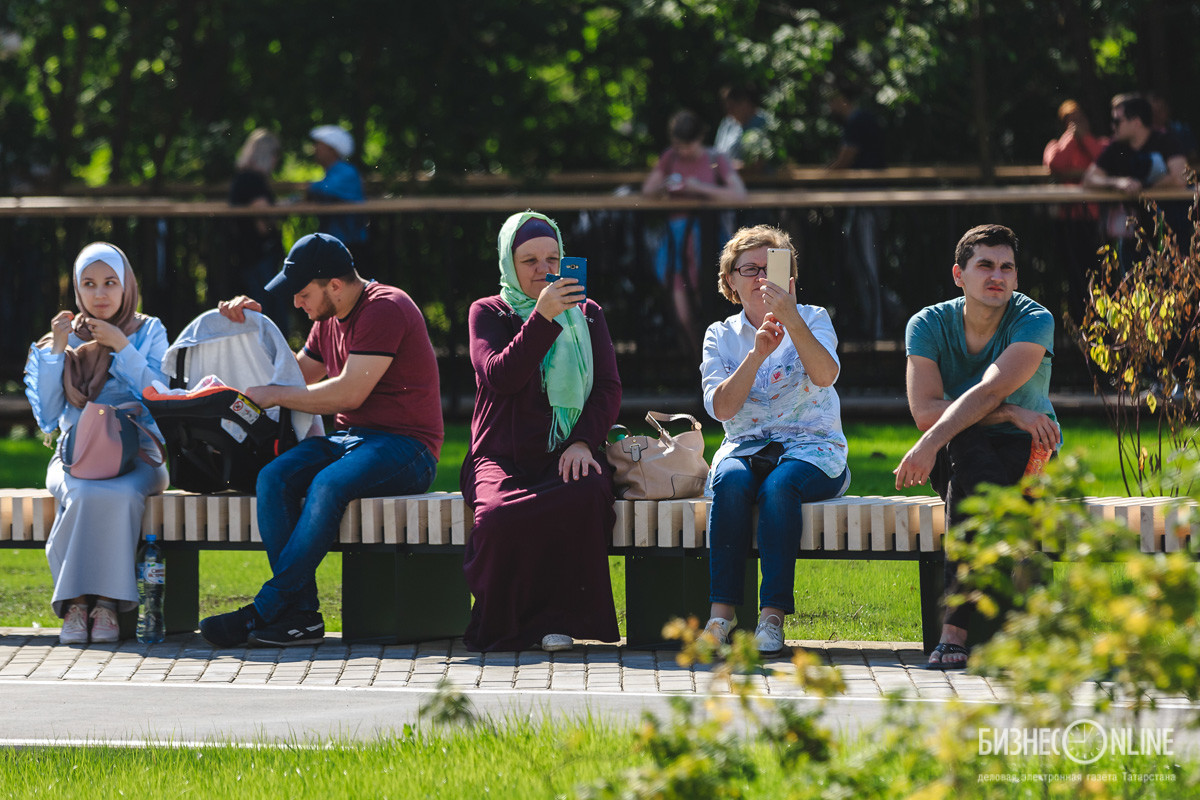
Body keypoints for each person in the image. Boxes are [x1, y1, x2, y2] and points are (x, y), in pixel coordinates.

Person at [199, 232, 443, 647]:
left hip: (408, 446)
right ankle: (302, 617)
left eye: (302, 293)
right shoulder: (327, 319)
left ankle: (267, 608)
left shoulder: (386, 307)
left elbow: (348, 394)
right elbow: (293, 377)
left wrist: (274, 395)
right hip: (353, 440)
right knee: (273, 478)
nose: (296, 302)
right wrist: (255, 327)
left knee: (326, 484)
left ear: (334, 284)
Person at [892, 224, 1060, 670]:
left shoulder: (1034, 319)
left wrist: (929, 442)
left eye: (1007, 267)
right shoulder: (927, 324)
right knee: (966, 443)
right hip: (958, 445)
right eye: (984, 265)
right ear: (958, 274)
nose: (997, 276)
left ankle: (954, 632)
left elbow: (987, 391)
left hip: (1030, 451)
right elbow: (926, 411)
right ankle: (1018, 606)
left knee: (965, 490)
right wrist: (1011, 412)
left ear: (1017, 278)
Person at [460, 211, 622, 652]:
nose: (544, 270)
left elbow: (608, 388)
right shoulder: (488, 312)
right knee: (497, 517)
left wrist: (583, 442)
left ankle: (559, 621)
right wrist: (543, 318)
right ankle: (505, 625)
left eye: (553, 258)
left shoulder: (587, 314)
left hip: (565, 450)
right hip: (499, 454)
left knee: (583, 492)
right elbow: (500, 376)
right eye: (529, 260)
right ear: (509, 263)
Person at [699, 225, 850, 656]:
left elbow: (825, 375)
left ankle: (771, 620)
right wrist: (756, 354)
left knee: (779, 486)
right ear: (731, 280)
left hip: (814, 448)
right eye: (750, 269)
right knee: (729, 482)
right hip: (746, 446)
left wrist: (792, 320)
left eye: (773, 268)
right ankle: (720, 617)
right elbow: (722, 409)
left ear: (790, 278)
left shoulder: (815, 318)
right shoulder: (720, 335)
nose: (762, 278)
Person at [24, 242, 170, 644]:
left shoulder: (149, 332)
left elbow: (161, 398)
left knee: (120, 495)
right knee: (85, 494)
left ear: (126, 287)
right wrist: (56, 352)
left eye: (110, 283)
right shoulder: (64, 338)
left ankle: (106, 605)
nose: (100, 294)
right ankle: (75, 605)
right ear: (76, 290)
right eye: (89, 284)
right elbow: (50, 416)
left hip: (139, 454)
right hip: (77, 456)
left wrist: (122, 347)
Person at [642, 110, 747, 360]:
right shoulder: (670, 158)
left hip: (707, 238)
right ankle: (694, 359)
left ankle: (714, 359)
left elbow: (739, 194)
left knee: (707, 298)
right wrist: (664, 186)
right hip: (676, 240)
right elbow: (647, 191)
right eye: (679, 145)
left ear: (700, 137)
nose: (684, 152)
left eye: (688, 145)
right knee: (680, 304)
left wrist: (698, 188)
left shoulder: (715, 158)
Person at [1083, 93, 1188, 273]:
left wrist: (1143, 187)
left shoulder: (1166, 141)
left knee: (1172, 292)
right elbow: (1089, 178)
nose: (1112, 126)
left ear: (1136, 122)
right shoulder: (1116, 147)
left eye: (1117, 121)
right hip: (1133, 236)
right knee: (1133, 294)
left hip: (1171, 234)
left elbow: (1181, 177)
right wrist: (1118, 183)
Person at [827, 82, 889, 340]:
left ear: (842, 97)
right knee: (860, 262)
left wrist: (822, 177)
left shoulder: (858, 121)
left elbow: (845, 160)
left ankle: (878, 326)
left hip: (867, 203)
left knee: (867, 262)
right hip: (864, 202)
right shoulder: (861, 120)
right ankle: (882, 315)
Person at [1042, 100, 1107, 321]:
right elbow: (1056, 163)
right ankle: (1077, 322)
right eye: (1070, 120)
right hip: (1067, 221)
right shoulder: (1056, 145)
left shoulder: (1100, 144)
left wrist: (1084, 139)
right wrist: (1071, 138)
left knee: (1097, 273)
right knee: (1073, 274)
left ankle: (1100, 320)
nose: (1076, 124)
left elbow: (1104, 160)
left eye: (1079, 118)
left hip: (1094, 222)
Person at [228, 128, 288, 333]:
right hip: (258, 255)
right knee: (267, 311)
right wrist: (280, 212)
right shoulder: (253, 180)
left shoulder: (242, 178)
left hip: (246, 253)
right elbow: (262, 220)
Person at [307, 125, 368, 264]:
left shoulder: (346, 172)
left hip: (350, 242)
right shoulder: (334, 172)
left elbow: (324, 188)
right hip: (339, 241)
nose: (315, 149)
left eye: (319, 145)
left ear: (332, 149)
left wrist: (309, 188)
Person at [713, 84, 774, 172]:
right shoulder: (727, 123)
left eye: (732, 106)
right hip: (727, 180)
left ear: (745, 103)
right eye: (727, 107)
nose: (729, 111)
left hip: (758, 183)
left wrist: (735, 166)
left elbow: (762, 162)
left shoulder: (766, 123)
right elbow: (717, 155)